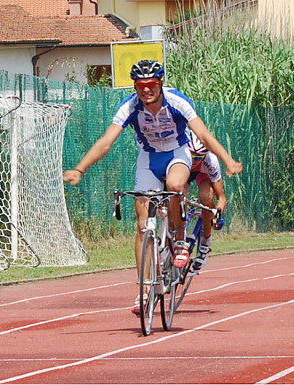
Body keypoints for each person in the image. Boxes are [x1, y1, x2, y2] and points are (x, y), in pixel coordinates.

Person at [63, 59, 243, 315]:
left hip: (177, 154)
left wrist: (228, 161)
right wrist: (80, 169)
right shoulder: (130, 107)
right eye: (140, 85)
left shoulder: (176, 101)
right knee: (141, 225)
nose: (146, 90)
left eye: (151, 84)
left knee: (175, 184)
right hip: (148, 159)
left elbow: (203, 135)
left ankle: (179, 237)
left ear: (160, 84)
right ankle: (144, 289)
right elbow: (106, 141)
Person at [186, 130, 227, 271]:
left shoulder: (211, 161)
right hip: (183, 172)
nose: (196, 161)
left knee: (206, 197)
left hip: (203, 175)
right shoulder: (181, 154)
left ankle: (205, 242)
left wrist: (218, 214)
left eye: (199, 157)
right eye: (193, 157)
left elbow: (221, 197)